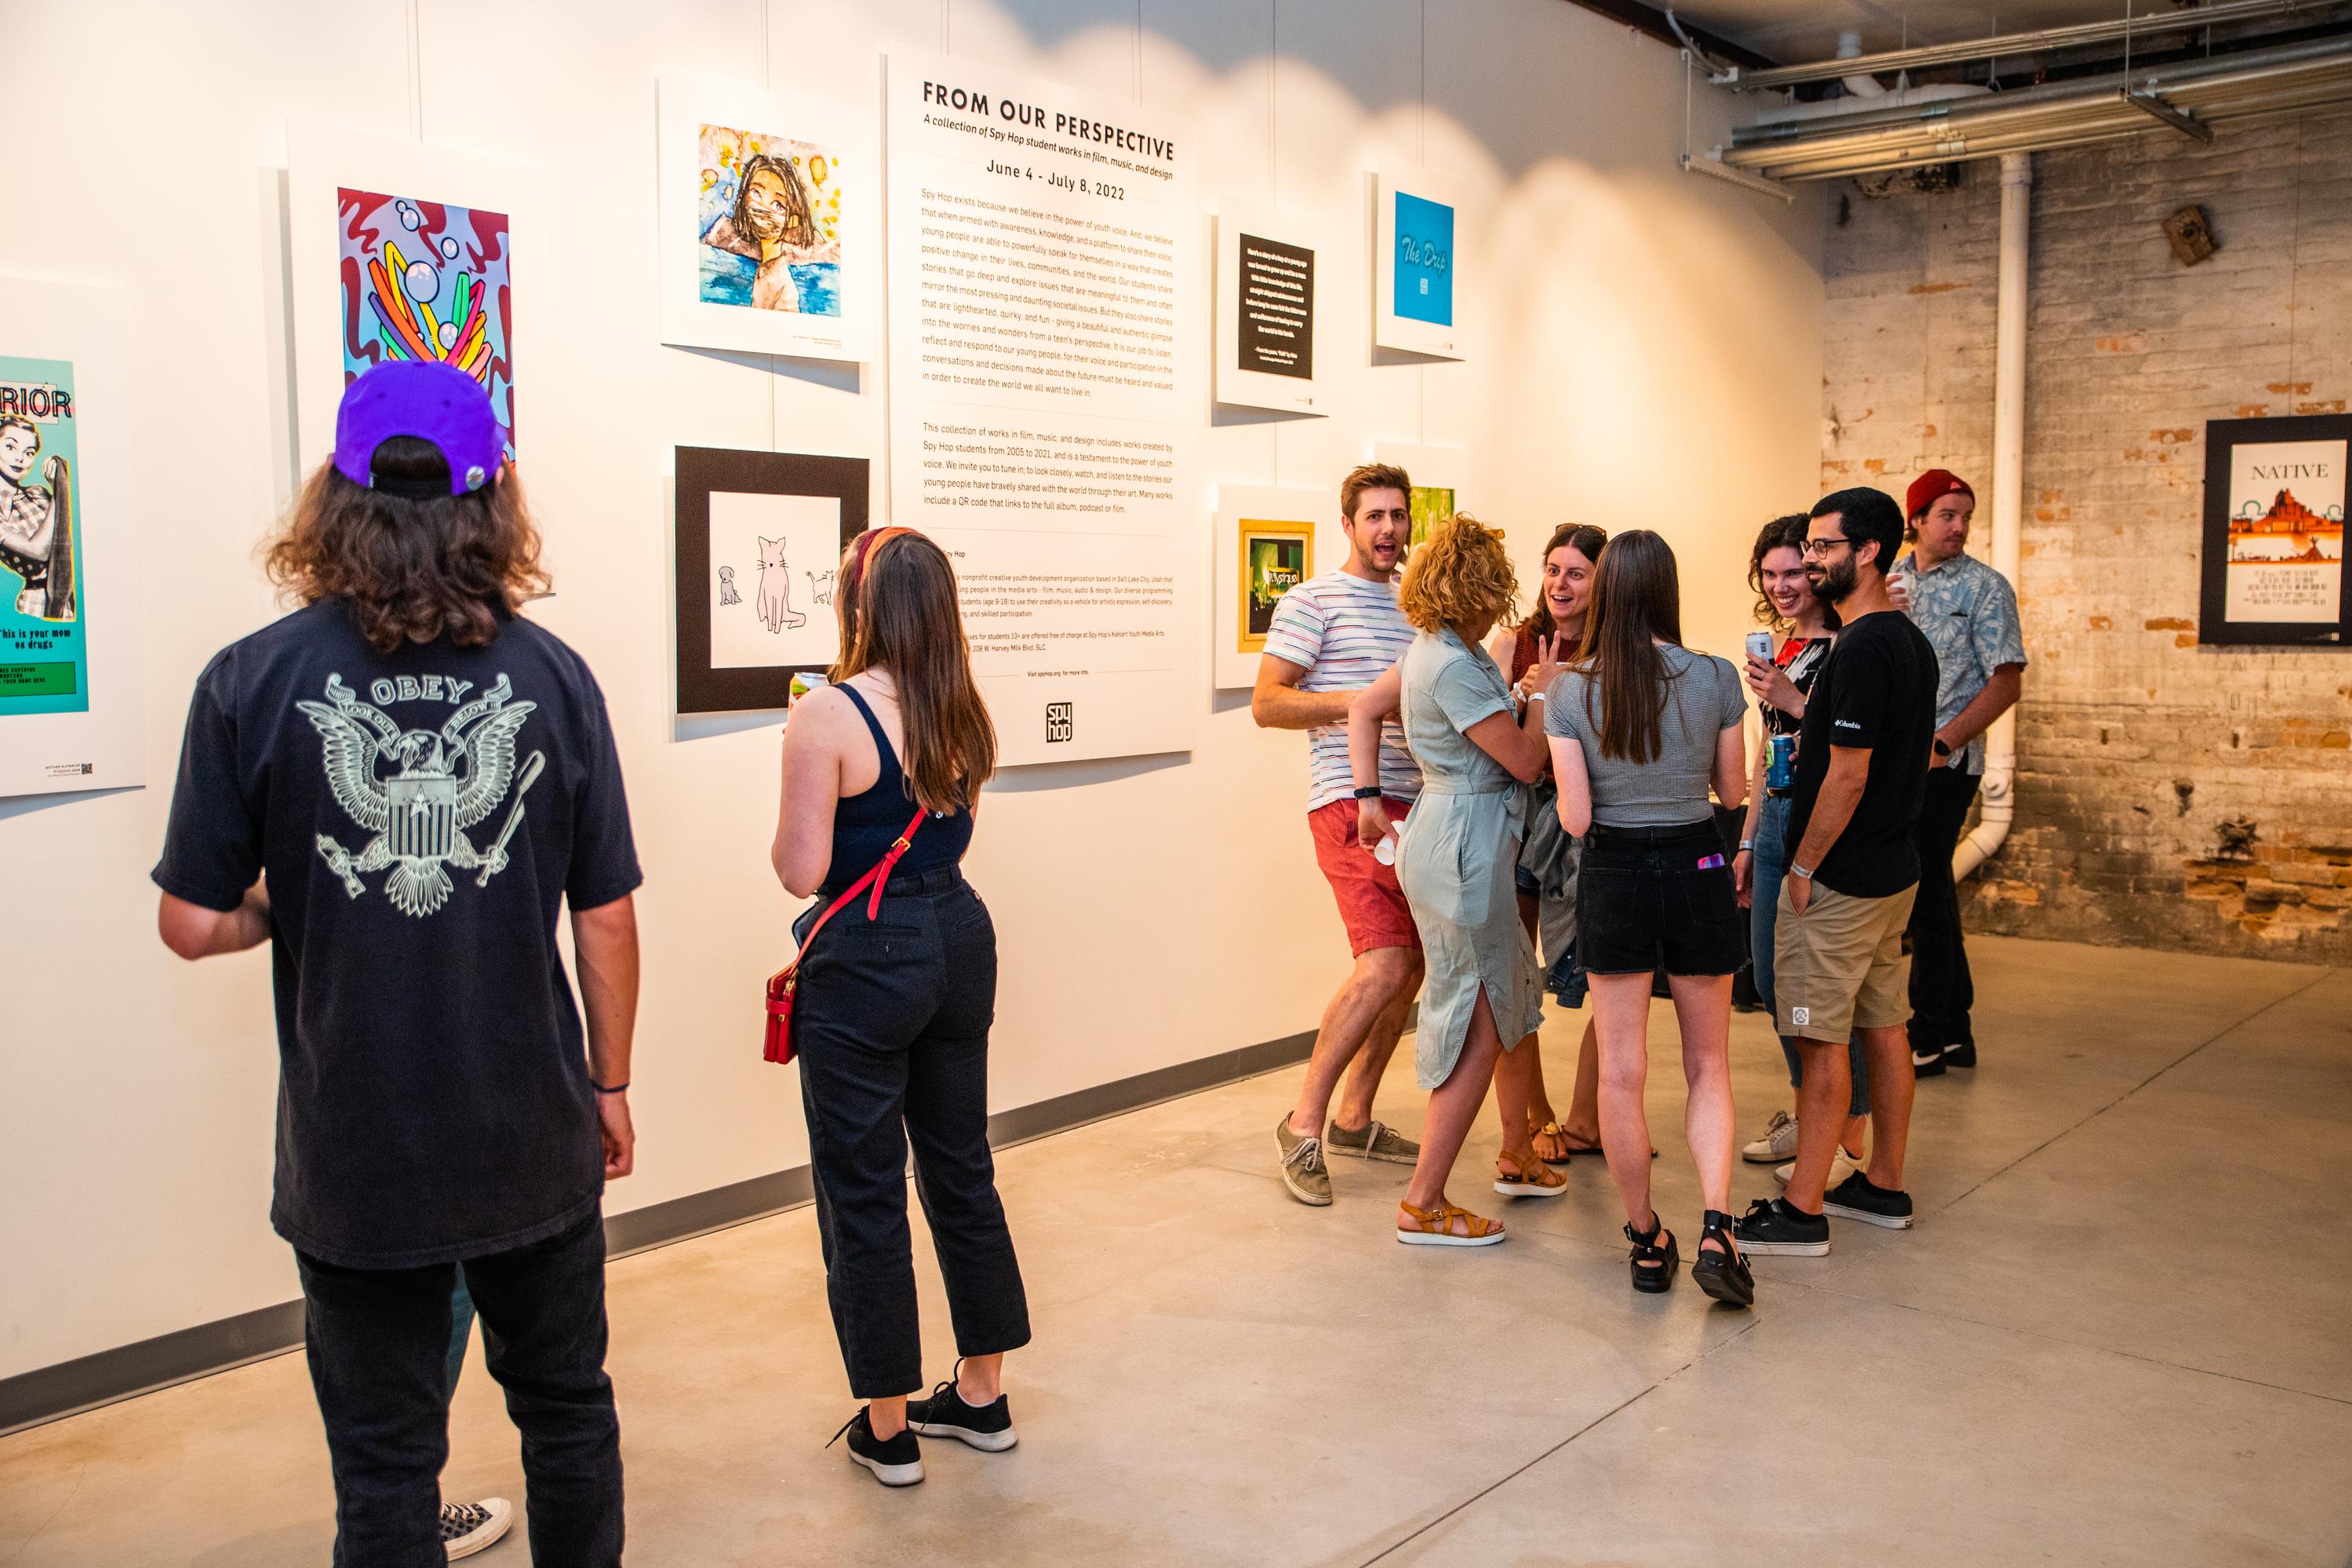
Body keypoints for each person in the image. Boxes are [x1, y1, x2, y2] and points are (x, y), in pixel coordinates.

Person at [151, 359, 638, 1567]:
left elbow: (190, 920)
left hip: (356, 1146)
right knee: (567, 1408)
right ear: (493, 505)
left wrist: (287, 903)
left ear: (336, 498)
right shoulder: (555, 677)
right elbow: (608, 918)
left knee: (384, 1463)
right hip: (529, 1124)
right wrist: (610, 1082)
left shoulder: (250, 680)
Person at [772, 526, 1029, 1489]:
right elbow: (948, 845)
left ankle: (887, 1425)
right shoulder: (961, 708)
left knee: (864, 1188)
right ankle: (981, 1393)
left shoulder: (825, 716)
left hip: (867, 960)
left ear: (859, 605)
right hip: (961, 939)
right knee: (962, 1169)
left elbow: (800, 869)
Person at [1544, 530, 1754, 1305]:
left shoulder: (1569, 691)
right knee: (1709, 1064)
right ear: (1667, 588)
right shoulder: (1715, 677)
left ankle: (1644, 1239)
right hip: (1698, 866)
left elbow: (1572, 817)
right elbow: (1732, 795)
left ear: (1604, 591)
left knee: (1622, 1072)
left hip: (1616, 871)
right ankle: (1715, 1225)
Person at [1735, 487, 1939, 1257]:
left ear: (1867, 553)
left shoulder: (1857, 650)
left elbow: (1846, 777)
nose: (1809, 560)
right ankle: (1883, 1182)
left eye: (1822, 547)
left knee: (1821, 1044)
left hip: (1845, 878)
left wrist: (1803, 865)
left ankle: (1802, 1207)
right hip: (1893, 871)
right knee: (1885, 1028)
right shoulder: (1906, 641)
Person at [1348, 515, 1560, 1245]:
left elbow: (1366, 710)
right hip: (1463, 843)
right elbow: (1527, 761)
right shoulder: (1452, 663)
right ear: (1479, 585)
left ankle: (1512, 1152)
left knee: (1487, 1001)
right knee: (1479, 1016)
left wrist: (1371, 799)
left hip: (1451, 836)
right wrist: (1541, 694)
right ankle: (1424, 1201)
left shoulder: (1434, 651)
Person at [1254, 464, 1426, 1206]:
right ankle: (1304, 1122)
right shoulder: (1312, 598)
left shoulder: (1417, 610)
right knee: (1384, 964)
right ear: (1348, 525)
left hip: (1421, 803)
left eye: (1398, 515)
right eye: (1374, 516)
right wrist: (1362, 703)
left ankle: (1355, 1116)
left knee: (1412, 966)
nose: (1388, 529)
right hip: (1348, 803)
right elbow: (1267, 703)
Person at [1733, 515, 1870, 1189]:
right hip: (1776, 818)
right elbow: (1768, 749)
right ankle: (1807, 1113)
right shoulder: (1782, 645)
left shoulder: (1849, 645)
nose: (1783, 584)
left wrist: (1792, 698)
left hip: (1821, 822)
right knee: (1770, 980)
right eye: (1772, 572)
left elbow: (1848, 745)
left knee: (1820, 991)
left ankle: (1843, 1130)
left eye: (1795, 570)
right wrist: (1749, 836)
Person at [1485, 524, 1612, 1166]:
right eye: (1553, 569)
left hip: (1590, 825)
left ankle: (1590, 1119)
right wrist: (1529, 689)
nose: (1560, 584)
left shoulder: (1618, 646)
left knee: (1614, 973)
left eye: (1577, 573)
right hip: (1520, 822)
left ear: (1602, 581)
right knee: (1516, 970)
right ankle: (1537, 1114)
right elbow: (1491, 737)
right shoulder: (1514, 640)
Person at [1896, 470, 2026, 1078]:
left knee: (1921, 889)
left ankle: (1926, 1029)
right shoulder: (1886, 581)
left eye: (1966, 516)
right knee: (1935, 890)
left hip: (1948, 761)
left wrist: (1945, 742)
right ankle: (1955, 1030)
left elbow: (2006, 681)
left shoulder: (1985, 588)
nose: (1959, 526)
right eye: (1947, 514)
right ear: (1916, 518)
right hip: (1891, 760)